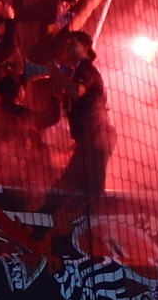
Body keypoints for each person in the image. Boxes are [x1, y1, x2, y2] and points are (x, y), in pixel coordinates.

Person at [44, 31, 116, 212]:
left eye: (72, 44)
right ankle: (46, 222)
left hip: (97, 140)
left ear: (84, 47)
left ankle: (87, 230)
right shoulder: (76, 72)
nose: (68, 48)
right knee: (71, 186)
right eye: (67, 44)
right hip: (90, 141)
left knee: (88, 192)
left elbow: (77, 91)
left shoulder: (86, 69)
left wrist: (56, 74)